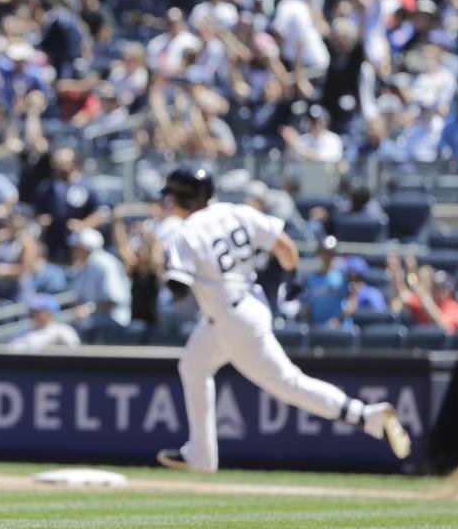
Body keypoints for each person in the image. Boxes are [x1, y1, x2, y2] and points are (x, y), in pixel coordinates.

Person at [157, 167, 411, 473]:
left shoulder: (184, 233)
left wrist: (161, 260)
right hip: (247, 305)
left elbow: (178, 291)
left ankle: (365, 415)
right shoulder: (238, 212)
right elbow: (286, 247)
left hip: (231, 319)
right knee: (193, 367)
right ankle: (201, 454)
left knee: (289, 383)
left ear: (180, 199)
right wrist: (291, 280)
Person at [68, 227, 132, 328]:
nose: (73, 251)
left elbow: (112, 300)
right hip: (95, 319)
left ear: (86, 248)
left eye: (77, 247)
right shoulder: (83, 266)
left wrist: (88, 309)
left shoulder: (104, 264)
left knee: (83, 326)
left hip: (113, 321)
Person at [9, 293, 81, 350]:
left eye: (39, 311)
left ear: (49, 312)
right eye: (33, 311)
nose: (34, 314)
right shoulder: (23, 332)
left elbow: (75, 354)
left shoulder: (64, 331)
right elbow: (13, 353)